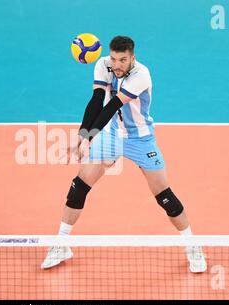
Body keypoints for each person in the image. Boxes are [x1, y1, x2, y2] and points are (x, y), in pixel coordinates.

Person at [41, 36, 207, 273]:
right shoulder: (103, 65)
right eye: (114, 59)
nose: (116, 65)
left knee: (164, 195)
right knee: (79, 185)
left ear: (132, 58)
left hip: (140, 139)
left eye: (122, 60)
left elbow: (111, 107)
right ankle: (61, 244)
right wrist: (81, 135)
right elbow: (97, 100)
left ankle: (193, 246)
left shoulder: (141, 75)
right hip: (110, 136)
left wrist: (87, 138)